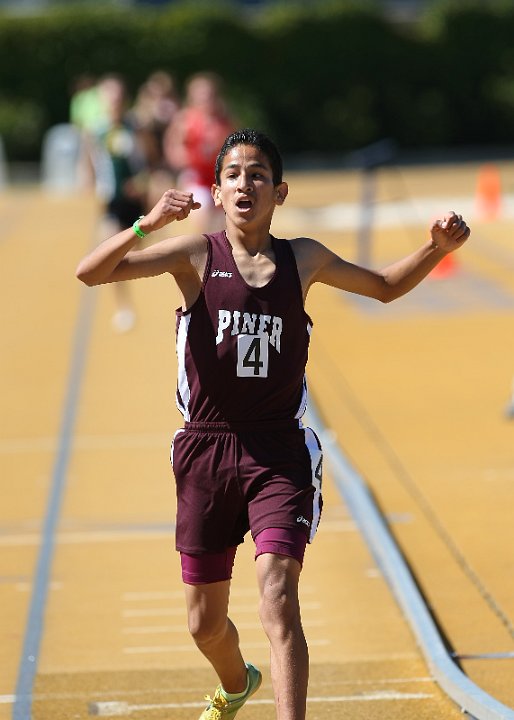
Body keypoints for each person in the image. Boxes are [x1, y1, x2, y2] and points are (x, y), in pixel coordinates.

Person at [76, 128, 471, 720]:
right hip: (206, 452)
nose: (245, 184)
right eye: (233, 174)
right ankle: (237, 684)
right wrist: (148, 222)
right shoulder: (194, 255)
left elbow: (384, 287)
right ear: (215, 189)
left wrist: (436, 248)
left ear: (278, 193)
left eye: (257, 175)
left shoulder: (302, 258)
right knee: (203, 624)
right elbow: (91, 273)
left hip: (280, 453)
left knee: (278, 598)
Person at [81, 73, 149, 332]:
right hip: (111, 199)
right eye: (110, 98)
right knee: (114, 252)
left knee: (137, 252)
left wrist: (142, 183)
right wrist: (89, 181)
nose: (114, 103)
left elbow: (151, 161)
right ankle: (124, 306)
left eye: (119, 98)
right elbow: (89, 159)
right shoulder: (95, 130)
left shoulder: (136, 126)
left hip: (137, 202)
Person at [163, 71, 236, 233]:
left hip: (218, 177)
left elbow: (236, 147)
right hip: (196, 177)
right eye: (201, 95)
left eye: (209, 95)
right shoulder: (186, 119)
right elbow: (172, 147)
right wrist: (188, 159)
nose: (206, 99)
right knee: (203, 215)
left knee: (224, 224)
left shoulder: (225, 120)